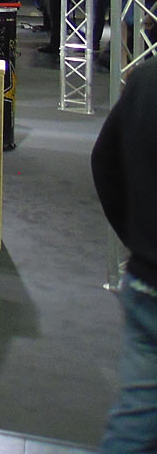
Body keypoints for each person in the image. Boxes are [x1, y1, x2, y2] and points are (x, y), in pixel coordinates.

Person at [92, 55, 157, 451]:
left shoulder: (146, 78)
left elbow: (104, 162)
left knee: (135, 419)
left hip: (145, 280)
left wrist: (138, 240)